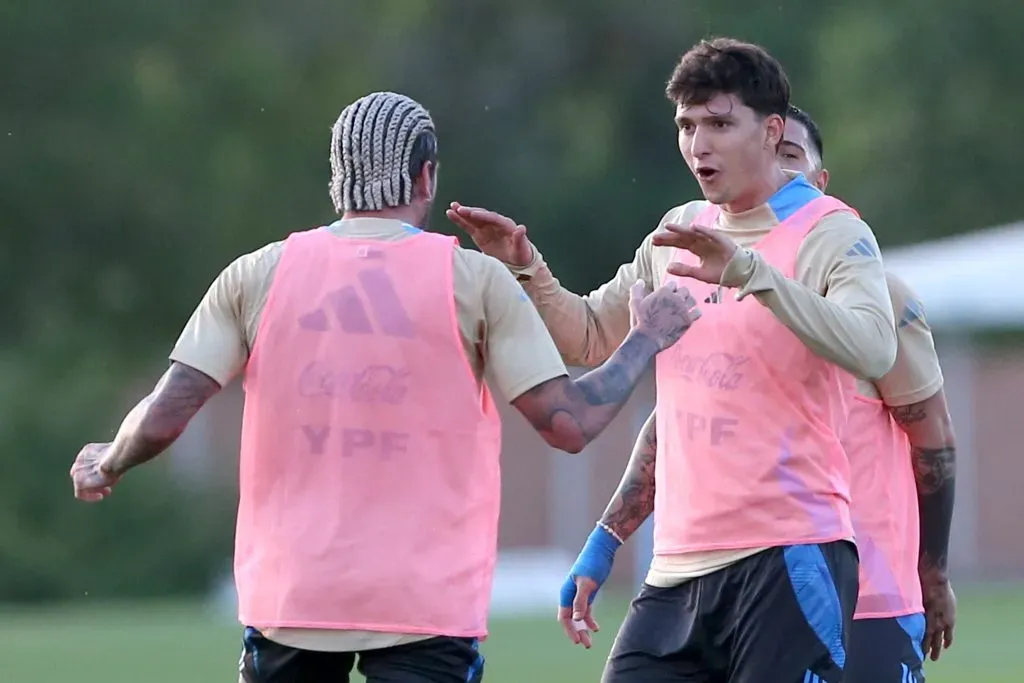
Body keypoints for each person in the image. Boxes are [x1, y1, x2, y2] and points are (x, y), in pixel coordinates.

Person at [68, 91, 702, 683]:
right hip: (423, 606)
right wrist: (645, 338)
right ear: (427, 176)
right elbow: (569, 424)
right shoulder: (473, 279)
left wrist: (108, 460)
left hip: (292, 598)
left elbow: (165, 415)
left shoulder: (258, 274)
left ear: (335, 179)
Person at [449, 39, 899, 683]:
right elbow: (586, 336)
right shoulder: (677, 229)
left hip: (790, 554)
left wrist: (749, 271)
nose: (699, 145)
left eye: (719, 123)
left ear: (772, 132)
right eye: (688, 126)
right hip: (677, 567)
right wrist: (525, 267)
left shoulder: (833, 231)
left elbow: (873, 347)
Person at [560, 104, 957, 683]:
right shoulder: (706, 275)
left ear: (820, 184)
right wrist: (607, 536)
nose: (773, 172)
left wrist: (934, 572)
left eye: (790, 159)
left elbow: (934, 438)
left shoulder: (878, 300)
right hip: (734, 578)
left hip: (865, 591)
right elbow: (675, 422)